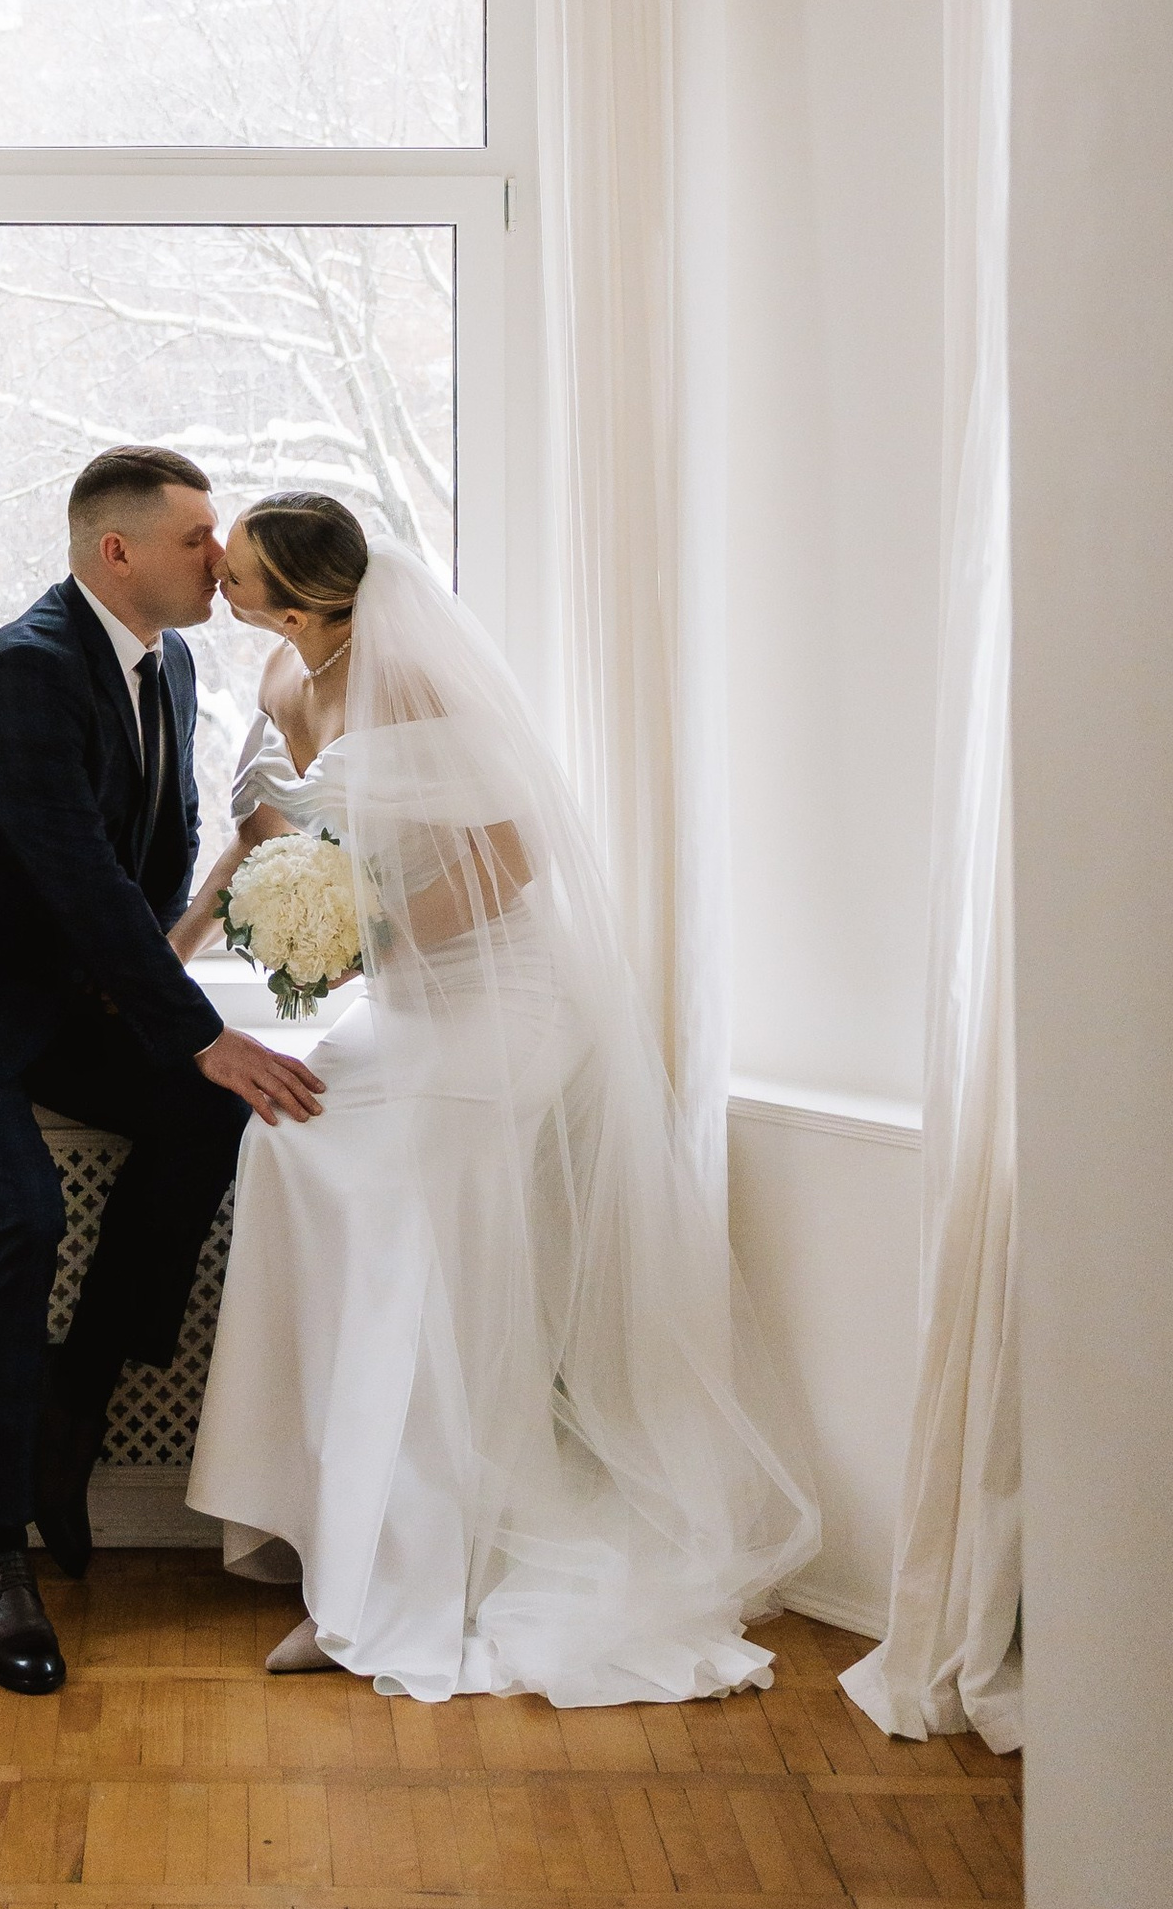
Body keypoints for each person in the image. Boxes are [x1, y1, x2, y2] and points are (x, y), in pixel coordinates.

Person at [181, 491, 818, 1704]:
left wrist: (363, 938)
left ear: (311, 597)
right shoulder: (275, 678)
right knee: (286, 1152)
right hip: (405, 1005)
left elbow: (509, 859)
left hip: (500, 1000)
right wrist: (186, 947)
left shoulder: (412, 683)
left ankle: (418, 1565)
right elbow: (262, 842)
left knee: (405, 1209)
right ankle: (320, 1526)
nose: (221, 574)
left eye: (242, 566)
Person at [0, 445, 323, 1695]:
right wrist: (200, 1025)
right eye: (199, 536)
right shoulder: (25, 674)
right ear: (119, 553)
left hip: (51, 989)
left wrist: (179, 1008)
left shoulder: (176, 658)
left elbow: (155, 849)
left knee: (206, 1118)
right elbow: (75, 879)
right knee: (17, 1215)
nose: (223, 556)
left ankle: (72, 1395)